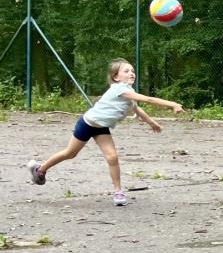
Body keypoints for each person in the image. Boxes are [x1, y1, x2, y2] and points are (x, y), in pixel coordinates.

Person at [26, 59, 183, 206]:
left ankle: (118, 192)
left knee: (112, 157)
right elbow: (149, 99)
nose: (131, 73)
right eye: (126, 71)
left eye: (132, 71)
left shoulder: (129, 92)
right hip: (87, 124)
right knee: (70, 153)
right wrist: (172, 104)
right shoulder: (119, 89)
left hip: (101, 128)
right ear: (116, 77)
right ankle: (40, 169)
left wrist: (152, 123)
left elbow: (136, 108)